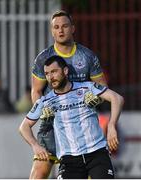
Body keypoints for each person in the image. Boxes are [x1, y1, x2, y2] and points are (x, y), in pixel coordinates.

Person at [30, 10, 108, 179]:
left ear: (73, 28)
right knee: (39, 173)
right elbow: (36, 90)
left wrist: (96, 98)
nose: (60, 30)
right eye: (56, 27)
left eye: (65, 26)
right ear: (52, 31)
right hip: (53, 123)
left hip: (81, 123)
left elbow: (102, 86)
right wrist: (41, 108)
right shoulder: (44, 58)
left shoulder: (87, 56)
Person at [19, 55, 124, 179]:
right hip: (69, 160)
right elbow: (23, 127)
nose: (50, 77)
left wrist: (111, 126)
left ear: (65, 71)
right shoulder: (45, 101)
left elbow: (117, 98)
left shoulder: (87, 87)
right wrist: (36, 146)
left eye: (54, 72)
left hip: (97, 153)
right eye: (47, 74)